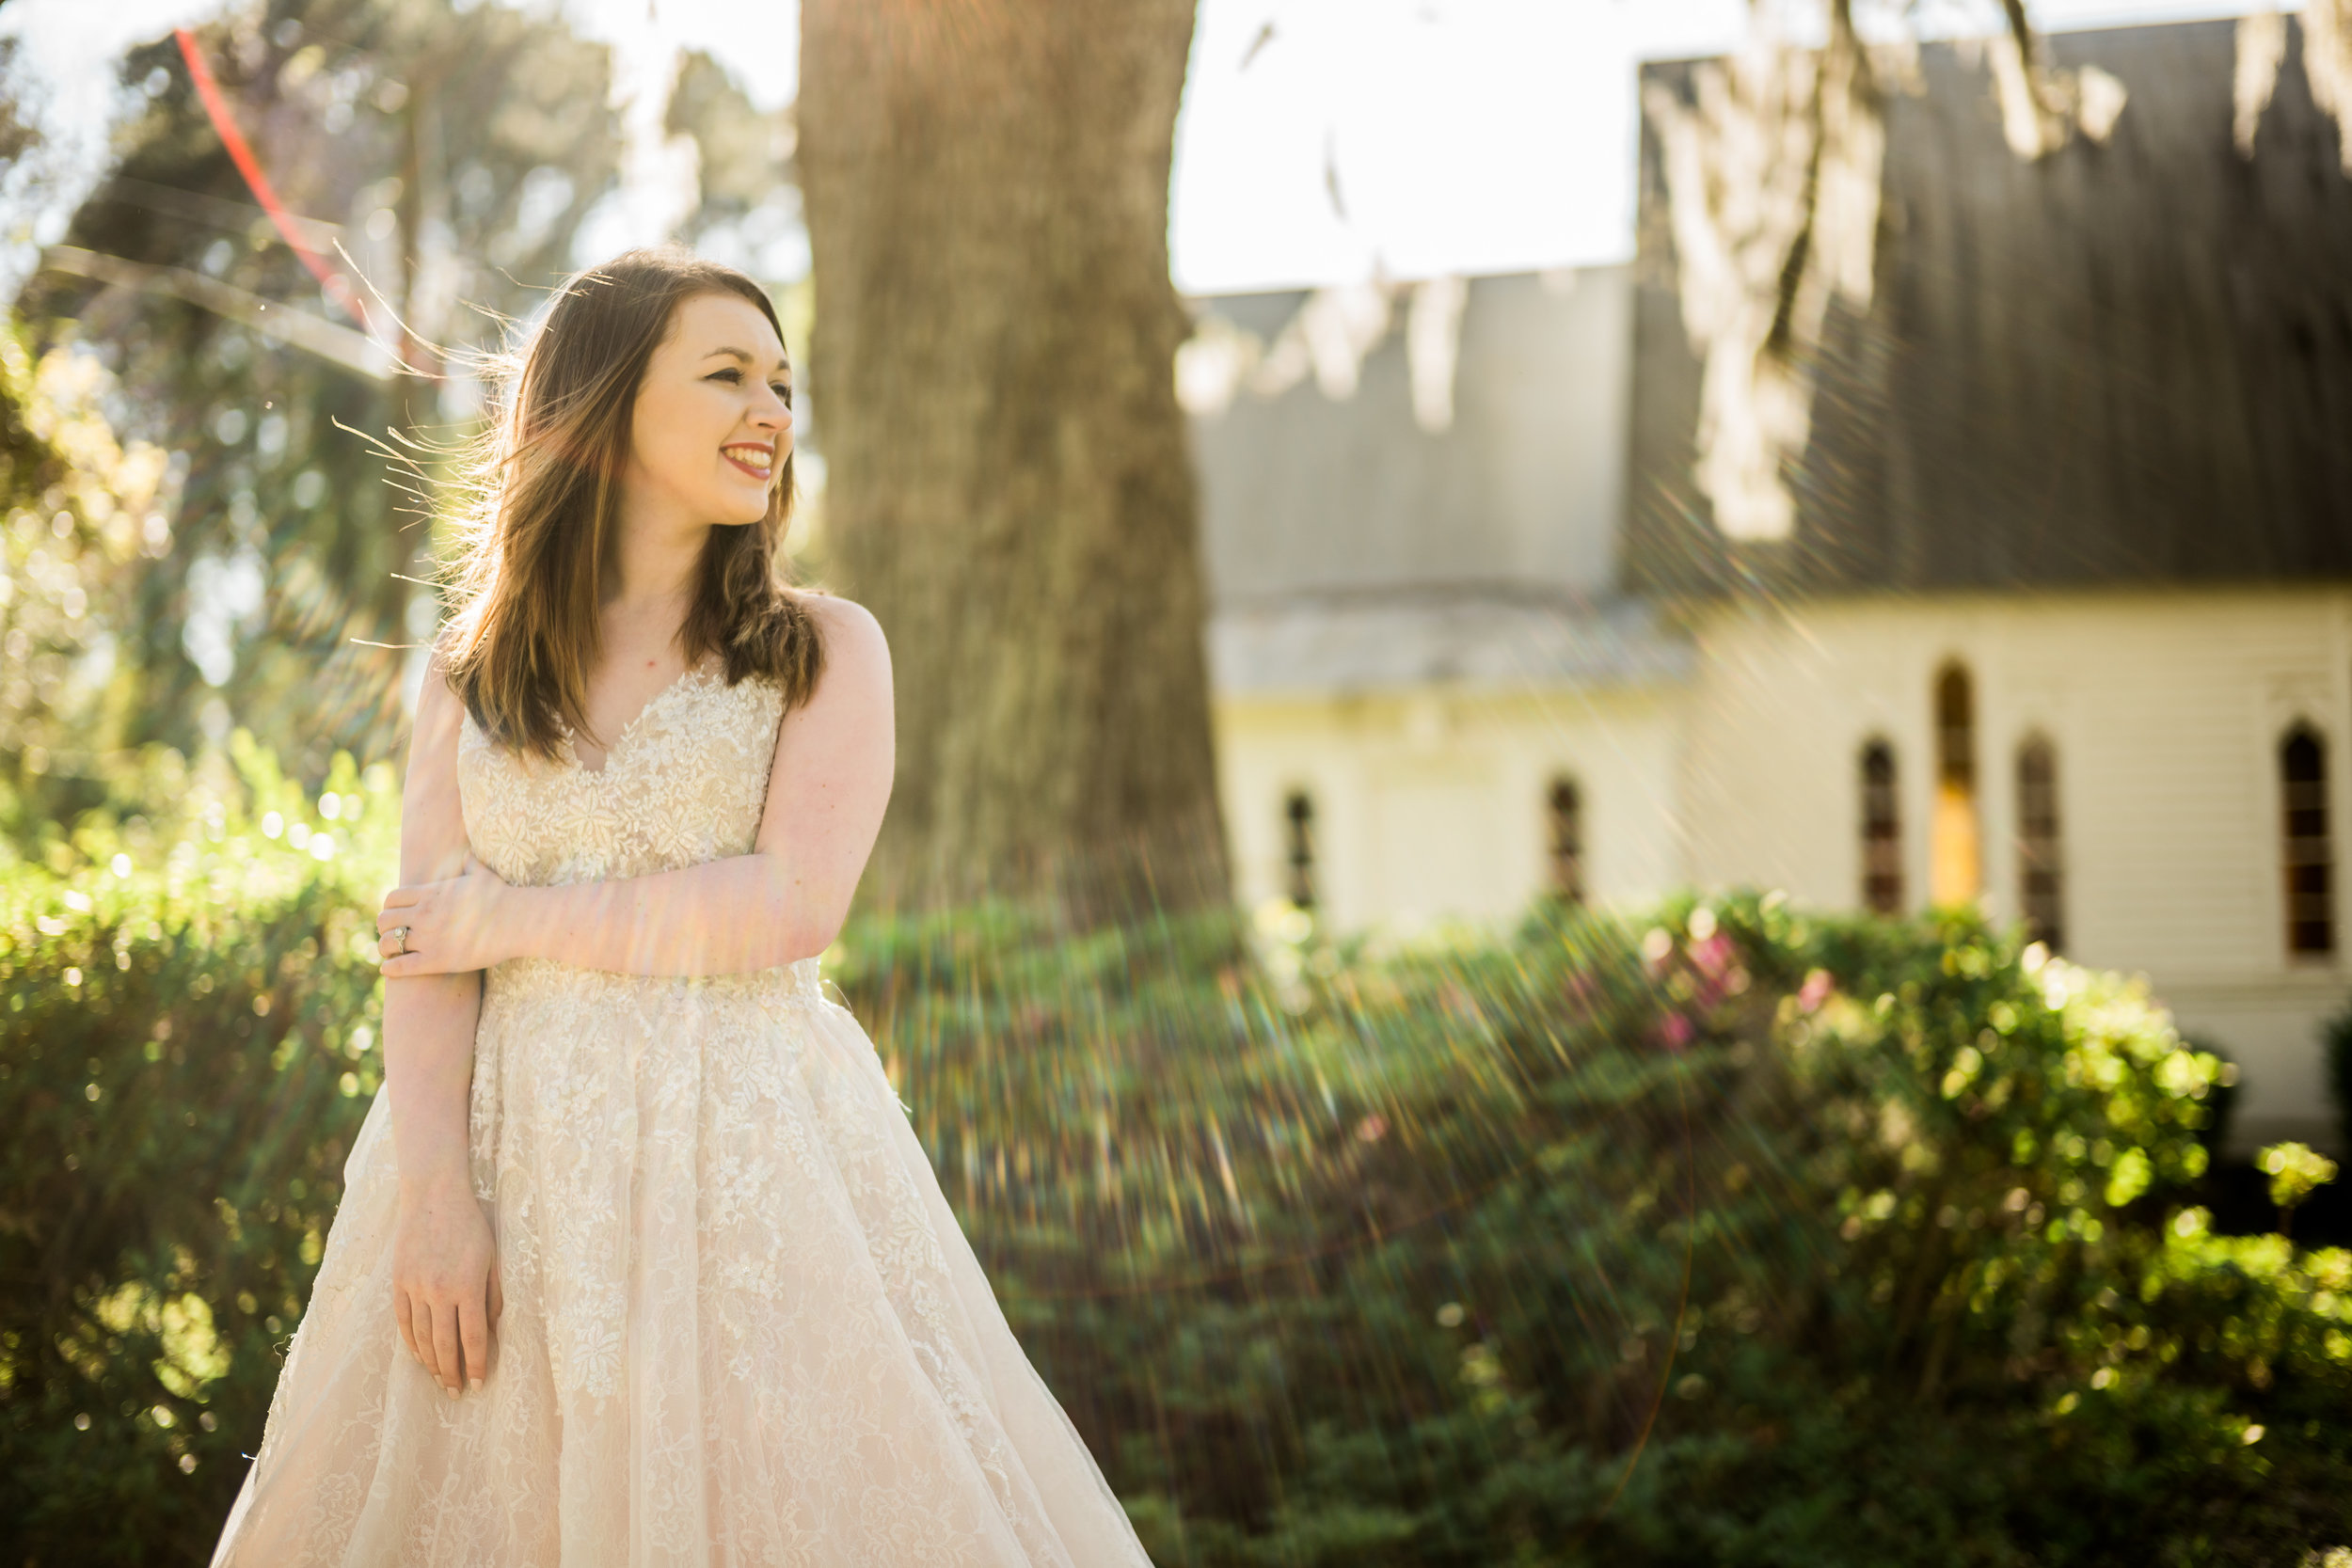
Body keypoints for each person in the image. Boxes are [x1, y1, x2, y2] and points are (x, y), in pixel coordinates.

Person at [210, 248, 1155, 1567]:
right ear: (602, 403)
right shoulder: (464, 672)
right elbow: (425, 954)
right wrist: (434, 1198)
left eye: (783, 381)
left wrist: (516, 921)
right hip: (504, 1171)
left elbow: (788, 904)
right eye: (726, 375)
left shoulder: (825, 648)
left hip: (752, 1176)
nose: (772, 409)